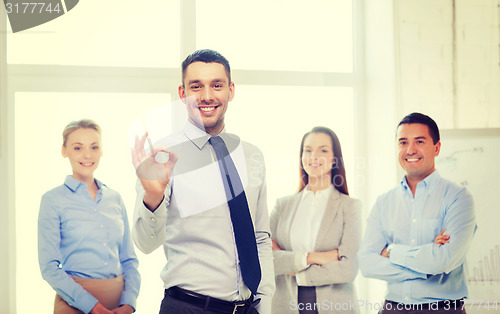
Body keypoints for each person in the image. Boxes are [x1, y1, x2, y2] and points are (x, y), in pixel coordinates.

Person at [132, 49, 275, 314]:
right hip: (188, 307)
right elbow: (145, 243)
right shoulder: (162, 158)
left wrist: (264, 304)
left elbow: (260, 237)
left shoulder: (252, 155)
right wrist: (153, 198)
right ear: (182, 93)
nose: (207, 96)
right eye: (196, 86)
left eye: (216, 85)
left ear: (231, 90)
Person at [358, 112, 476, 313]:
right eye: (403, 142)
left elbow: (444, 260)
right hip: (391, 308)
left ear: (437, 148)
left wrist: (393, 252)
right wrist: (427, 266)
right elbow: (367, 264)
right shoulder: (384, 202)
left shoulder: (458, 198)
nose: (410, 150)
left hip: (442, 309)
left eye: (419, 141)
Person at [38, 119, 140, 314]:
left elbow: (129, 260)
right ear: (64, 151)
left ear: (101, 151)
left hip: (119, 306)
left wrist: (129, 303)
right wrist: (92, 306)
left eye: (94, 147)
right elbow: (49, 267)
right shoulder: (52, 200)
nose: (87, 155)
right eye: (77, 148)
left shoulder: (115, 199)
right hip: (73, 305)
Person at [271, 126, 361, 314]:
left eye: (323, 150)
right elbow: (265, 257)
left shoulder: (349, 207)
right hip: (286, 305)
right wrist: (312, 258)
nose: (314, 156)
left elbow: (348, 268)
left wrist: (295, 269)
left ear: (335, 158)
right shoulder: (282, 205)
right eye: (308, 150)